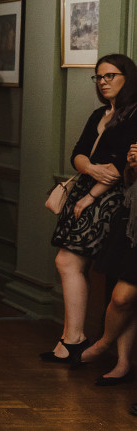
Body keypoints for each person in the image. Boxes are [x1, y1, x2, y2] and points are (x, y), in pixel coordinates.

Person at [41, 54, 137, 364]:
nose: (103, 82)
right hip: (89, 191)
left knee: (68, 261)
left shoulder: (134, 114)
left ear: (128, 77)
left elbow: (120, 167)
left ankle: (75, 339)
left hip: (110, 199)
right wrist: (91, 169)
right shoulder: (100, 112)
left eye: (111, 76)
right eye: (98, 77)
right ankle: (74, 338)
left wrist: (90, 195)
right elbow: (78, 154)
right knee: (70, 263)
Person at [78, 142, 137, 385]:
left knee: (123, 297)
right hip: (132, 224)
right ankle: (123, 363)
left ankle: (104, 342)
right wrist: (133, 166)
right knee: (127, 299)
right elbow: (129, 182)